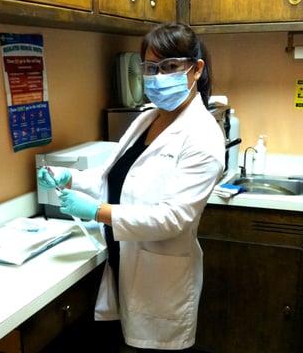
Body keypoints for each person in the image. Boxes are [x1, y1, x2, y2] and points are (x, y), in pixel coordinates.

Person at [38, 22, 225, 352]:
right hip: (125, 264)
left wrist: (98, 212)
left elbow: (172, 218)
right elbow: (120, 180)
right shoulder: (149, 117)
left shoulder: (203, 136)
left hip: (160, 283)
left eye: (169, 66)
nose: (156, 77)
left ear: (196, 70)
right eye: (150, 68)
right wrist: (72, 179)